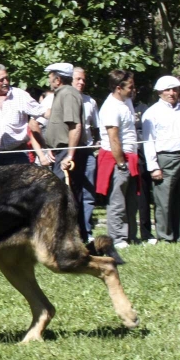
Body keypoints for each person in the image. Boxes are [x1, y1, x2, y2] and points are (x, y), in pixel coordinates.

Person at [44, 62, 88, 241]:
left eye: (50, 76)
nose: (49, 79)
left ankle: (73, 237)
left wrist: (69, 154)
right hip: (59, 151)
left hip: (67, 154)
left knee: (67, 196)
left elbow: (75, 126)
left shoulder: (68, 94)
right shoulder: (61, 94)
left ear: (58, 78)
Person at [96, 70, 139, 249]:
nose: (133, 89)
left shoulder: (126, 101)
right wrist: (121, 164)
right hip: (117, 159)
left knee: (131, 200)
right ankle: (117, 238)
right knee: (117, 200)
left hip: (131, 155)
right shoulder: (110, 107)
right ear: (118, 88)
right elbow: (114, 138)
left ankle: (131, 236)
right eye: (130, 87)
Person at [142, 76, 180, 243]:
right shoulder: (152, 113)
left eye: (175, 89)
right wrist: (154, 166)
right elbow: (148, 142)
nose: (172, 93)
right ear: (160, 92)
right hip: (165, 158)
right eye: (168, 90)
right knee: (164, 201)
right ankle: (165, 236)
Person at [0, 63, 48, 167]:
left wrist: (61, 118)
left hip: (18, 155)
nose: (6, 82)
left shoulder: (19, 95)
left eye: (7, 78)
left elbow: (42, 111)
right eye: (1, 80)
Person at [72, 67, 101, 241]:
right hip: (68, 152)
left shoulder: (90, 102)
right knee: (71, 193)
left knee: (88, 192)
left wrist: (96, 147)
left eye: (83, 79)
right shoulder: (60, 99)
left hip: (87, 150)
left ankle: (87, 231)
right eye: (78, 79)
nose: (81, 82)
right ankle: (72, 231)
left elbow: (96, 127)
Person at [133, 85, 156, 243]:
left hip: (145, 156)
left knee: (147, 197)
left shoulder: (143, 108)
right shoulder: (120, 107)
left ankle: (148, 233)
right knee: (135, 199)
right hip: (130, 157)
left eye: (135, 89)